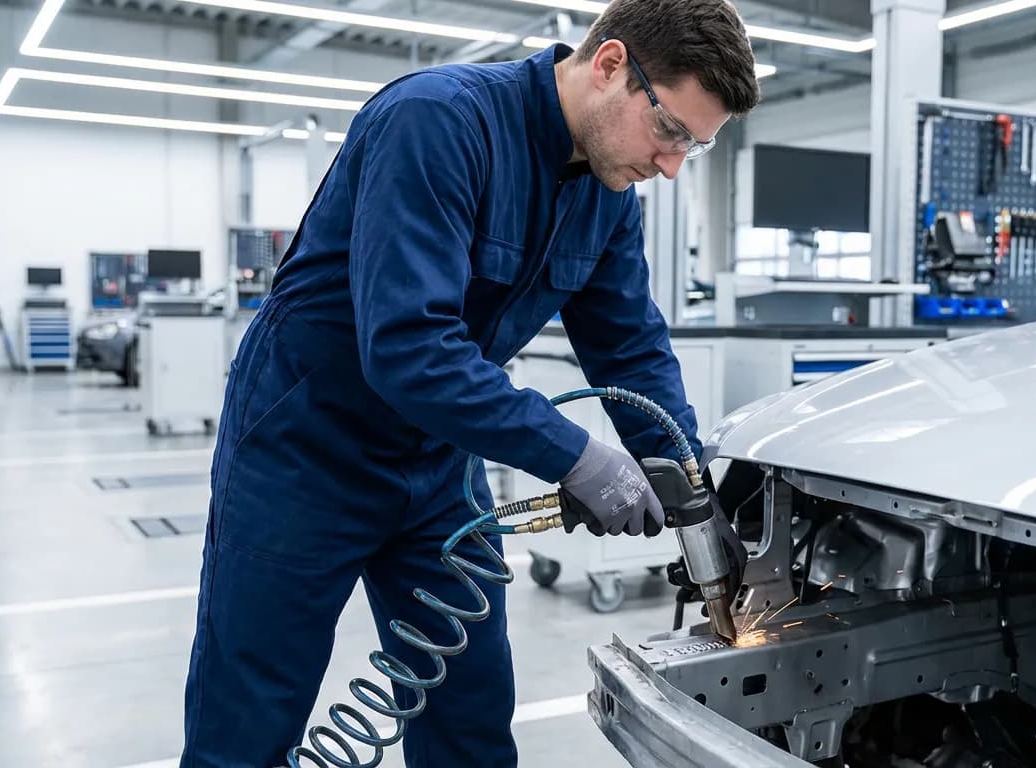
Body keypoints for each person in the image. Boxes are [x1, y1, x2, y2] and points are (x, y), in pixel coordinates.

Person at [178, 0, 761, 765]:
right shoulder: (436, 123)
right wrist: (578, 459)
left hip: (439, 459)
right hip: (302, 449)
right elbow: (409, 348)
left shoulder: (608, 194)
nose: (671, 165)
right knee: (250, 718)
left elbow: (632, 349)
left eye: (696, 148)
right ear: (612, 65)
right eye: (671, 131)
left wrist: (694, 487)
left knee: (470, 715)